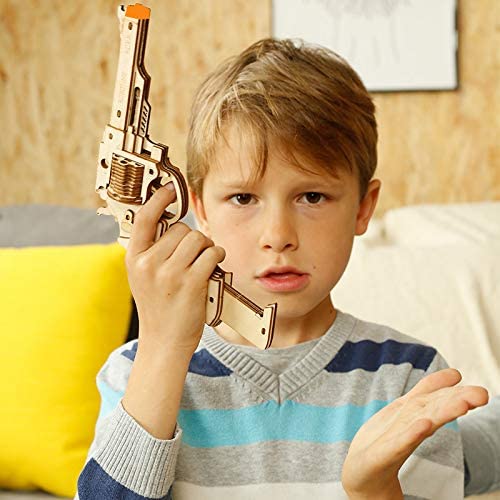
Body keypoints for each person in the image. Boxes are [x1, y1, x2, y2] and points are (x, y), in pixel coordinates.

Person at [76, 38, 494, 499]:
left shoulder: (411, 379)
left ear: (363, 207)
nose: (278, 235)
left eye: (312, 197)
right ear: (201, 210)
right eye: (243, 198)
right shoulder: (134, 372)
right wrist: (163, 348)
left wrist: (373, 489)